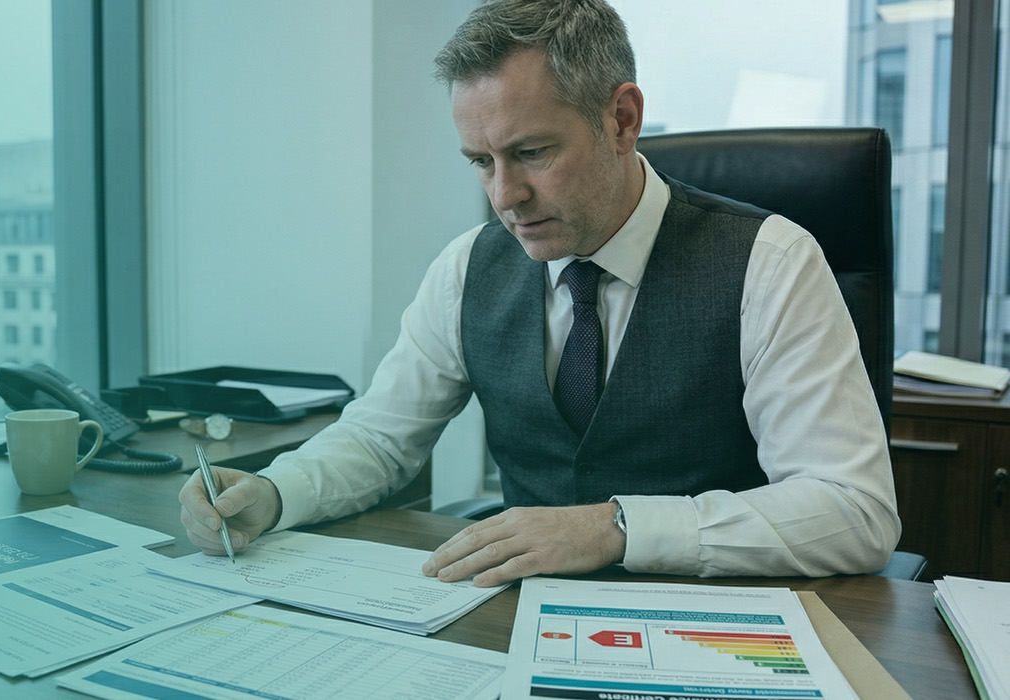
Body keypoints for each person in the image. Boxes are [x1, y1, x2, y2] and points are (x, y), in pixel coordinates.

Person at [179, 0, 900, 586]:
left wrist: (613, 526)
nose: (505, 196)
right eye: (480, 161)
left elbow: (854, 510)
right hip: (515, 618)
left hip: (711, 625)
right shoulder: (469, 267)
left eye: (532, 153)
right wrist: (275, 494)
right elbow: (379, 438)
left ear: (622, 119)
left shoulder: (770, 263)